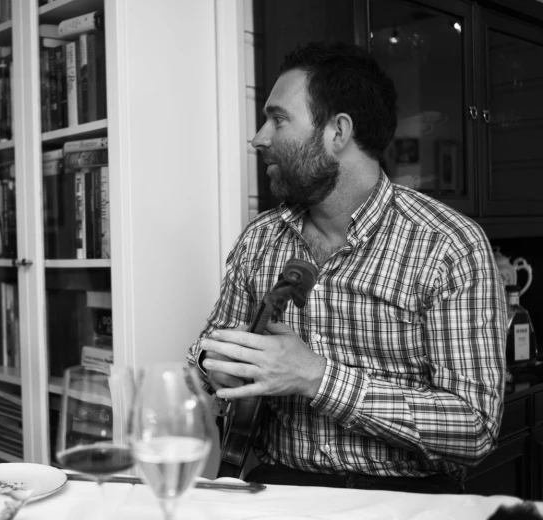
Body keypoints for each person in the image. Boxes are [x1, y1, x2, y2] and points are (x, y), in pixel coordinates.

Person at [188, 41, 506, 494]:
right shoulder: (259, 238)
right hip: (280, 489)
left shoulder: (448, 246)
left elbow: (475, 427)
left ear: (338, 132)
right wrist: (212, 365)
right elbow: (207, 344)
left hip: (408, 498)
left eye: (278, 119)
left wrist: (318, 377)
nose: (258, 137)